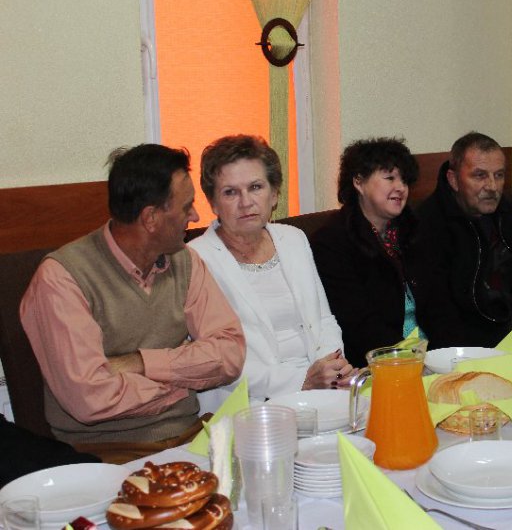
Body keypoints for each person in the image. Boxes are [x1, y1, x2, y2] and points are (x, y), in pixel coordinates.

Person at [20, 144, 246, 463]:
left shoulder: (186, 261)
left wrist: (140, 363)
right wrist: (181, 384)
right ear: (151, 218)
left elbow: (230, 353)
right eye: (186, 207)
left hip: (190, 436)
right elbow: (90, 398)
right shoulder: (62, 278)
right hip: (109, 452)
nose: (195, 216)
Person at [189, 135, 354, 401]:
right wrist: (302, 381)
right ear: (213, 202)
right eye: (230, 192)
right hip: (248, 402)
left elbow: (324, 320)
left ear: (274, 193)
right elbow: (214, 360)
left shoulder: (294, 239)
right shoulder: (195, 259)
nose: (245, 202)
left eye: (255, 187)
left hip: (320, 388)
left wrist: (329, 369)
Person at [310, 138, 446, 367]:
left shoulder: (414, 229)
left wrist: (447, 357)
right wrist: (407, 361)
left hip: (430, 355)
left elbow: (440, 303)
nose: (401, 187)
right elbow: (358, 323)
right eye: (390, 178)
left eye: (404, 180)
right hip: (379, 363)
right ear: (359, 182)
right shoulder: (332, 241)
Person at [416, 132, 512, 346]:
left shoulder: (508, 216)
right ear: (453, 180)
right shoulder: (430, 225)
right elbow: (437, 312)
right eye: (480, 176)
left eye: (499, 175)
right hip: (466, 345)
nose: (492, 187)